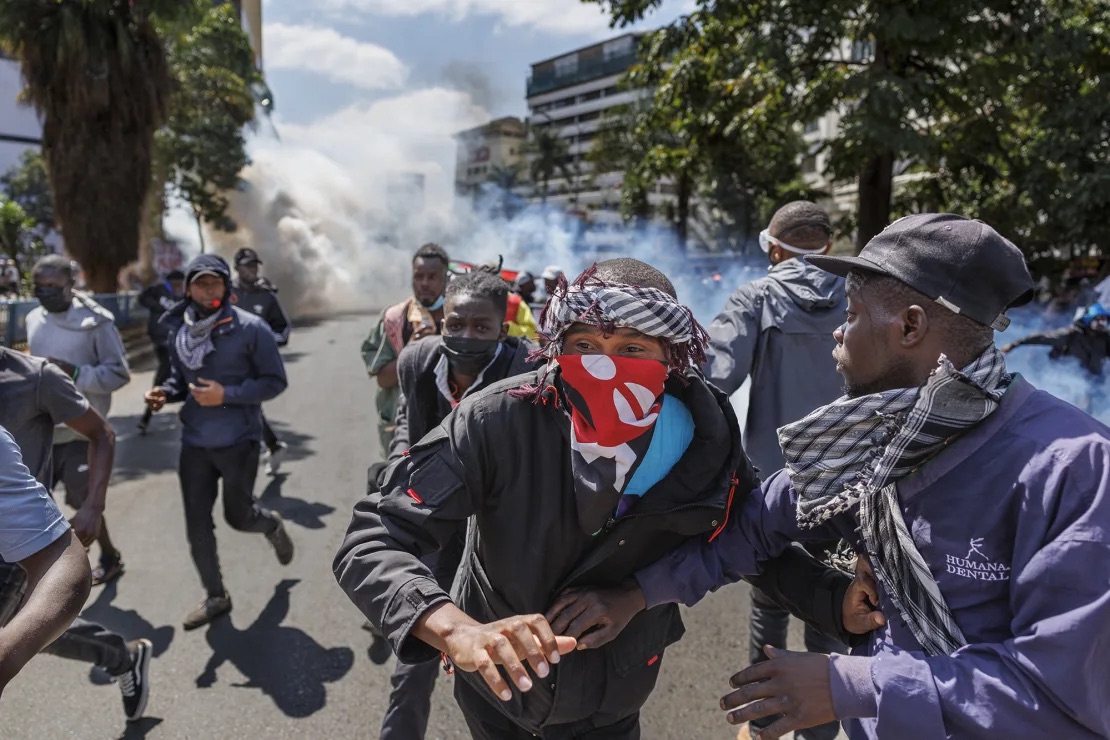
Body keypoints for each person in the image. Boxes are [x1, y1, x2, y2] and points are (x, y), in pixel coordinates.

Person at [549, 214, 1110, 740]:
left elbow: (1056, 691)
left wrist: (848, 684)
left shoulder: (1074, 468)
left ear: (910, 326)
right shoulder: (871, 437)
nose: (837, 336)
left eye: (851, 316)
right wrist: (635, 595)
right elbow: (754, 527)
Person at [336, 258, 856, 740]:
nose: (605, 367)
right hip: (499, 697)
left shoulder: (704, 436)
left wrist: (835, 601)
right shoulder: (497, 420)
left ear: (671, 357)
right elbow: (374, 538)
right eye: (584, 345)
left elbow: (745, 537)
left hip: (617, 693)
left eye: (632, 349)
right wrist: (458, 631)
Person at [371, 269, 543, 740]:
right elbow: (407, 430)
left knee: (510, 667)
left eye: (481, 328)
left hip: (503, 536)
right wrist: (397, 479)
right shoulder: (418, 363)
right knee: (415, 656)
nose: (466, 336)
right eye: (456, 324)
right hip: (440, 528)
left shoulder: (530, 373)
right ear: (441, 322)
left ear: (502, 331)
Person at [702, 201, 846, 740]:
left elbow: (715, 379)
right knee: (832, 603)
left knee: (769, 602)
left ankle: (764, 723)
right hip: (849, 483)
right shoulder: (863, 296)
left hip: (772, 484)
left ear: (776, 249)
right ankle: (819, 727)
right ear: (827, 247)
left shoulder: (758, 296)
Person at [0, 346, 153, 720]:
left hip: (23, 537)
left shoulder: (37, 376)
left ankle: (121, 656)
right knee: (25, 626)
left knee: (20, 626)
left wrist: (93, 508)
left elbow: (101, 433)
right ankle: (124, 656)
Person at [144, 254, 294, 630]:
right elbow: (182, 380)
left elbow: (274, 381)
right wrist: (165, 391)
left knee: (238, 517)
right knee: (196, 523)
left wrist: (226, 393)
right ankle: (216, 596)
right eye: (200, 283)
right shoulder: (181, 330)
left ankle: (271, 525)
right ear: (188, 288)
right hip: (195, 441)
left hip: (239, 440)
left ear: (227, 286)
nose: (208, 290)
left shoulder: (251, 328)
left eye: (215, 282)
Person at [28, 254, 130, 586]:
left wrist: (72, 372)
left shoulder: (97, 322)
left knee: (82, 501)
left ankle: (109, 556)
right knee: (36, 500)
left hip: (82, 429)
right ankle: (44, 571)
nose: (44, 292)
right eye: (38, 286)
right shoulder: (32, 319)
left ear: (71, 284)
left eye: (52, 286)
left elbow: (118, 374)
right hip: (42, 428)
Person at [0, 425, 94, 699]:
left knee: (30, 627)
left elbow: (58, 554)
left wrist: (94, 505)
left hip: (19, 544)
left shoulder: (41, 380)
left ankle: (120, 656)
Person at [360, 243, 450, 454]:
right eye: (419, 276)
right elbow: (383, 378)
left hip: (449, 429)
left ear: (446, 278)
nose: (424, 283)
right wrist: (413, 351)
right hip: (403, 431)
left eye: (432, 276)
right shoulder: (395, 319)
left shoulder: (461, 319)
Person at [230, 248, 293, 475]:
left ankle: (244, 472)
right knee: (244, 407)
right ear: (237, 268)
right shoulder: (226, 292)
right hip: (227, 361)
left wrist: (267, 343)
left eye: (255, 265)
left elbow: (283, 329)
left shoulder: (267, 296)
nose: (252, 270)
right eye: (247, 266)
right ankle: (273, 446)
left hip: (254, 364)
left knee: (245, 406)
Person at [1002, 301, 1109, 376]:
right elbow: (1041, 338)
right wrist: (1014, 344)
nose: (1102, 323)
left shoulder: (1106, 339)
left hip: (1093, 380)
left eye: (1104, 319)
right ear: (1088, 319)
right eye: (1098, 319)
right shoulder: (1071, 334)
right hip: (1063, 377)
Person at [136, 269, 185, 434]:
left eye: (180, 284)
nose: (178, 287)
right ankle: (147, 415)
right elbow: (142, 298)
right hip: (161, 340)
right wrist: (157, 307)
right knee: (164, 372)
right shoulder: (158, 290)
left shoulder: (186, 295)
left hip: (180, 341)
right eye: (175, 284)